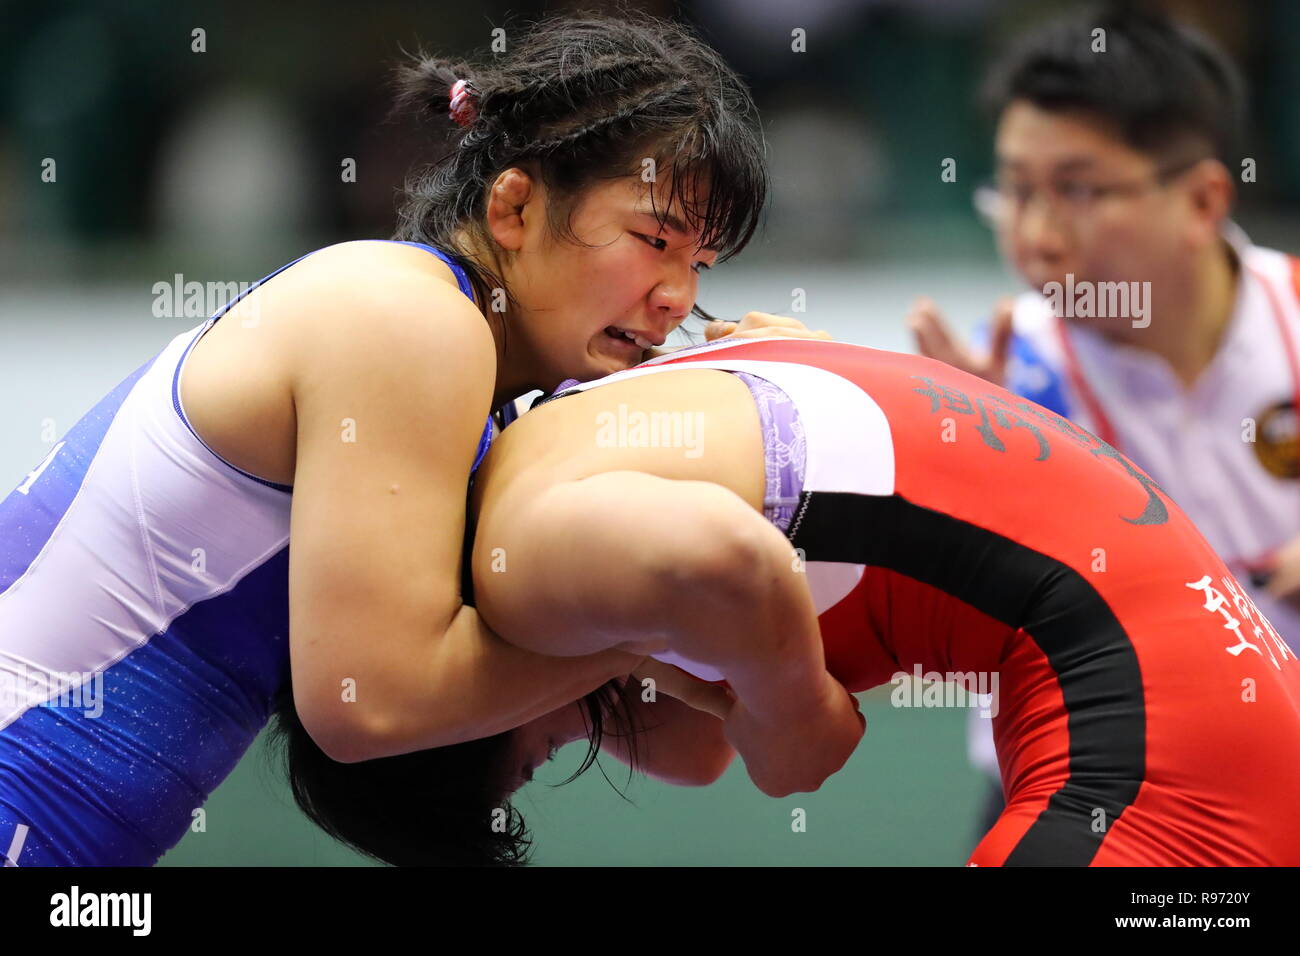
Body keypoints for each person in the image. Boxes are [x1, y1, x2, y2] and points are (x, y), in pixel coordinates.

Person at [0, 12, 827, 866]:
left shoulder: (500, 405)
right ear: (513, 207)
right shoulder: (407, 319)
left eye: (701, 265)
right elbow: (370, 705)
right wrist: (650, 625)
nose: (676, 296)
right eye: (655, 240)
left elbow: (690, 748)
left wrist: (779, 413)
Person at [280, 335, 1300, 866]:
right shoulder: (568, 427)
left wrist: (793, 721)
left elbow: (733, 565)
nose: (543, 763)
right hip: (1201, 687)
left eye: (508, 773)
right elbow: (693, 748)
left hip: (1160, 745)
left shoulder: (526, 570)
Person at [902, 4, 1300, 834]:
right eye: (1013, 192)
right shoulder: (997, 387)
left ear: (1201, 200)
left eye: (1079, 191)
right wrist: (953, 472)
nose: (1036, 236)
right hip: (1084, 808)